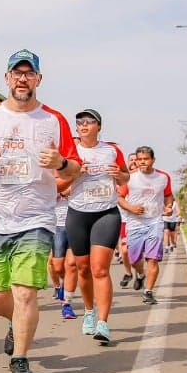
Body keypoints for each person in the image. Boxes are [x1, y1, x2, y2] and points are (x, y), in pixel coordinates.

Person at [0, 48, 81, 373]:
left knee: (25, 293)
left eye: (29, 73)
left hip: (35, 217)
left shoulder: (53, 120)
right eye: (16, 72)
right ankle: (17, 323)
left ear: (38, 79)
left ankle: (20, 357)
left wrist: (60, 164)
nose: (22, 78)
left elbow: (75, 166)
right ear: (7, 78)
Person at [65, 110, 128, 343]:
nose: (83, 125)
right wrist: (74, 173)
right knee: (82, 269)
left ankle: (103, 322)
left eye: (89, 121)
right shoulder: (71, 151)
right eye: (79, 122)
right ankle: (89, 311)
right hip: (78, 213)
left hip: (106, 213)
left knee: (100, 268)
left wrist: (119, 174)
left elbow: (125, 178)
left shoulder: (111, 150)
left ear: (98, 126)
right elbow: (57, 182)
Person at [118, 146, 174, 305]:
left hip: (155, 221)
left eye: (146, 159)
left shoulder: (163, 177)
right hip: (135, 223)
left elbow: (168, 195)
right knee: (133, 258)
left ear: (153, 160)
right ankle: (140, 274)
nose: (142, 162)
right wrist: (131, 208)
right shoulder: (129, 178)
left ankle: (148, 291)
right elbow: (120, 198)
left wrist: (168, 207)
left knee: (153, 258)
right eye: (139, 159)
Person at [51, 176, 78, 319]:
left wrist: (67, 189)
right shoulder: (48, 176)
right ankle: (64, 285)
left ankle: (67, 304)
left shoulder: (76, 174)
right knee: (58, 267)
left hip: (76, 222)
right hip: (56, 226)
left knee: (72, 264)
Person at [118, 152, 137, 287]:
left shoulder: (147, 179)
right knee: (124, 250)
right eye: (131, 160)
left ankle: (140, 274)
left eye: (136, 160)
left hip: (142, 221)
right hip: (124, 220)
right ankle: (128, 272)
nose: (134, 162)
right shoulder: (122, 178)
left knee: (137, 253)